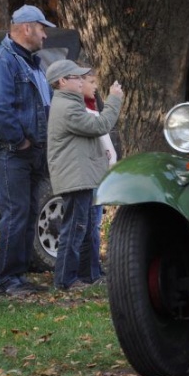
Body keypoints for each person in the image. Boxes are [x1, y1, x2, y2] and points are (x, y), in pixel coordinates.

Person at [0, 4, 56, 297]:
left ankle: (19, 277)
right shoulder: (1, 61)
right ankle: (7, 280)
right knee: (15, 213)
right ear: (26, 28)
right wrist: (19, 141)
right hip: (11, 151)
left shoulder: (31, 62)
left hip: (31, 151)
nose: (45, 36)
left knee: (28, 212)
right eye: (41, 28)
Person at [45, 59, 123, 290]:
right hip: (74, 178)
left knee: (82, 226)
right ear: (62, 81)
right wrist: (115, 100)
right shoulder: (68, 107)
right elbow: (101, 125)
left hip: (79, 176)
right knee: (74, 228)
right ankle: (65, 280)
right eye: (76, 77)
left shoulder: (71, 104)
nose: (81, 81)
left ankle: (82, 276)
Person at [77, 69, 118, 284]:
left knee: (95, 223)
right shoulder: (81, 111)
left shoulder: (94, 105)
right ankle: (88, 272)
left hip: (99, 170)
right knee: (89, 223)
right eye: (91, 82)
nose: (95, 87)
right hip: (90, 172)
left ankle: (94, 268)